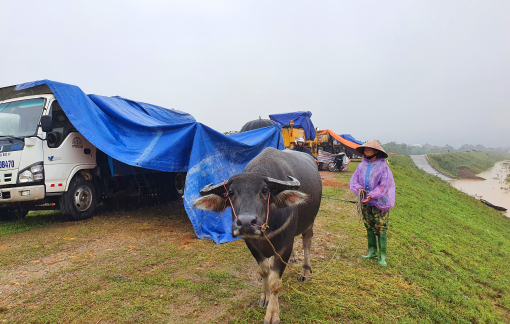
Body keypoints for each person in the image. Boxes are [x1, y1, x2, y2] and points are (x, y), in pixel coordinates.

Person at [349, 140, 395, 265]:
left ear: (376, 151)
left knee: (380, 227)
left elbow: (384, 184)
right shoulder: (361, 166)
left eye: (369, 149)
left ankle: (383, 257)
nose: (366, 152)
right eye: (365, 149)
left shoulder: (383, 167)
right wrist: (360, 189)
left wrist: (372, 195)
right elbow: (355, 180)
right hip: (365, 201)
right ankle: (372, 252)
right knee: (369, 225)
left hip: (380, 202)